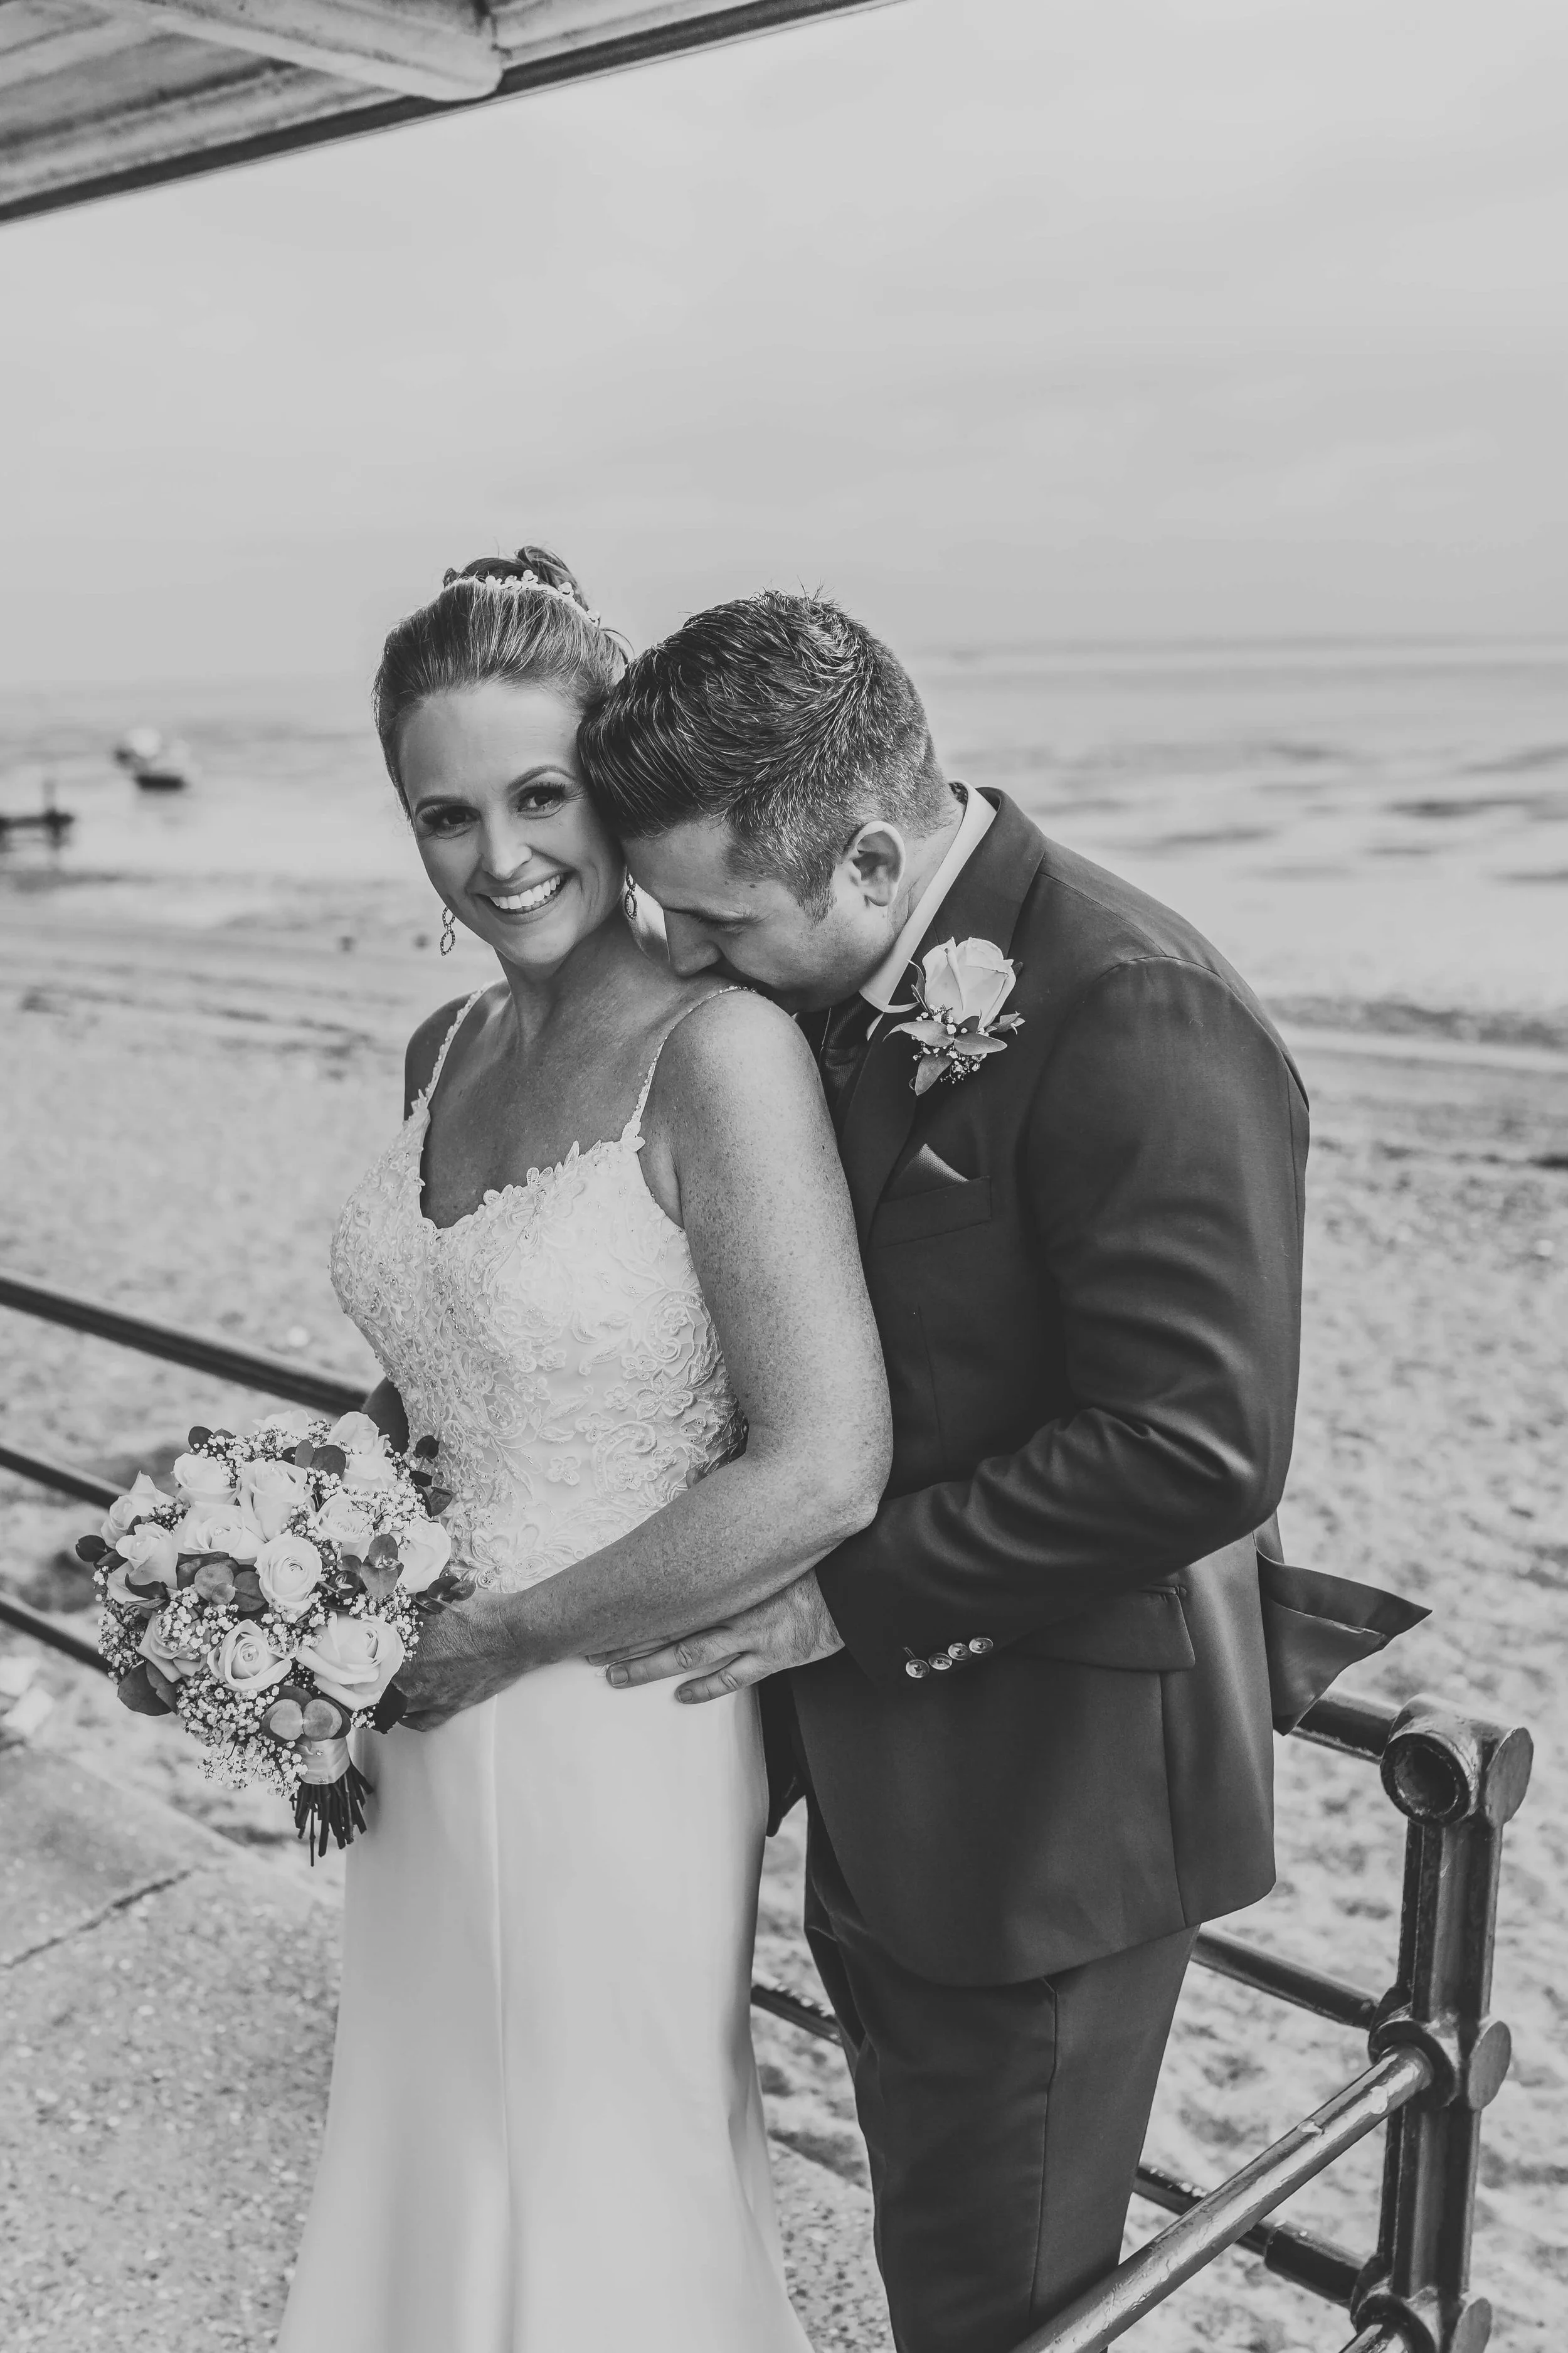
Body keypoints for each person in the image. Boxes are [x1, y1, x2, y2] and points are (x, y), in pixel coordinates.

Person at [570, 590, 1310, 2353]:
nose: (679, 951)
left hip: (1047, 1811)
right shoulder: (825, 977)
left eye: (718, 915)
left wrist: (843, 1589)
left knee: (1001, 2308)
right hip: (885, 1783)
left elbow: (1190, 1443)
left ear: (876, 851)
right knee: (932, 2254)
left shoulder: (1135, 1004)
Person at [278, 550, 892, 2353]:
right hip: (411, 1701)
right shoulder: (443, 1038)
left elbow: (822, 1466)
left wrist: (506, 1635)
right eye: (443, 812)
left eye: (539, 796)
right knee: (431, 2118)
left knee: (602, 2144)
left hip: (616, 1710)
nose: (499, 859)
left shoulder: (722, 1054)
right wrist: (295, 1572)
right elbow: (435, 1376)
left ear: (608, 787)